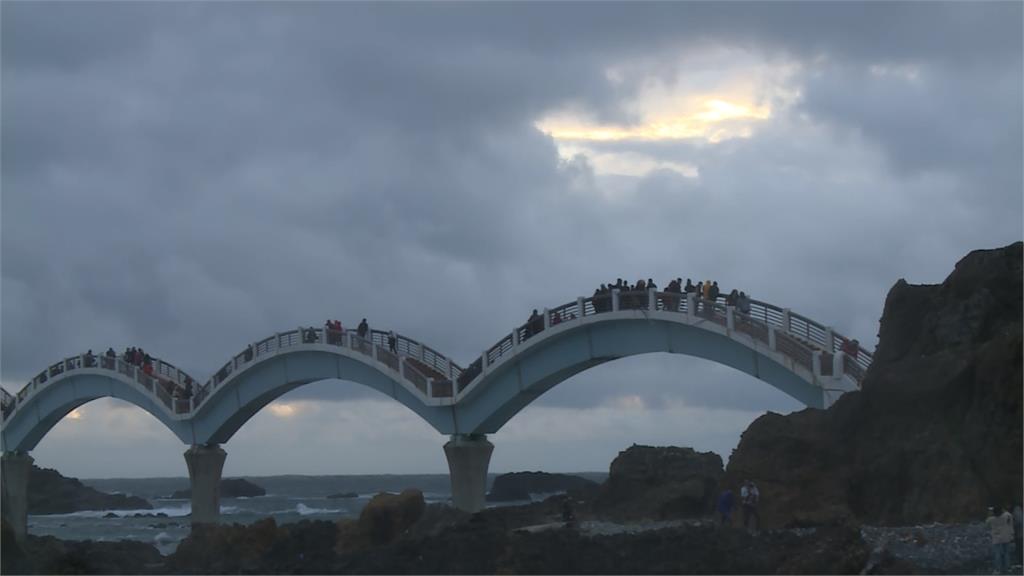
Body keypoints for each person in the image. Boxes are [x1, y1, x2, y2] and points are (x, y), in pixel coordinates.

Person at [987, 505, 1014, 574]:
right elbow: (1009, 516)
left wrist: (990, 514)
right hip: (1006, 537)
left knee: (997, 554)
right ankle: (1008, 568)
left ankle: (998, 569)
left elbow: (987, 524)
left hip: (997, 539)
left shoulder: (991, 519)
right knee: (1006, 553)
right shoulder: (1006, 516)